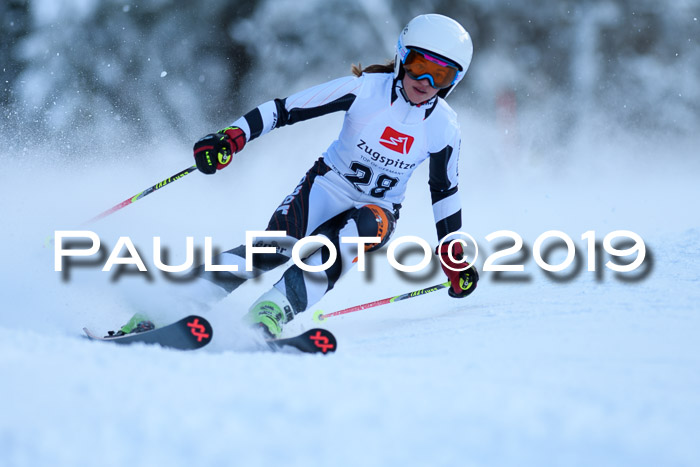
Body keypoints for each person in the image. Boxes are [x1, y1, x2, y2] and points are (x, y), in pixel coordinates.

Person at [122, 14, 479, 339]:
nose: (426, 81)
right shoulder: (366, 90)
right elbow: (284, 110)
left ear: (454, 80)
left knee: (345, 242)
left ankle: (271, 312)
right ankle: (166, 306)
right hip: (325, 187)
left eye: (442, 74)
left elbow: (444, 190)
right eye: (419, 66)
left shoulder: (444, 126)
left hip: (379, 208)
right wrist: (233, 137)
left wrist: (452, 252)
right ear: (402, 56)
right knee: (271, 250)